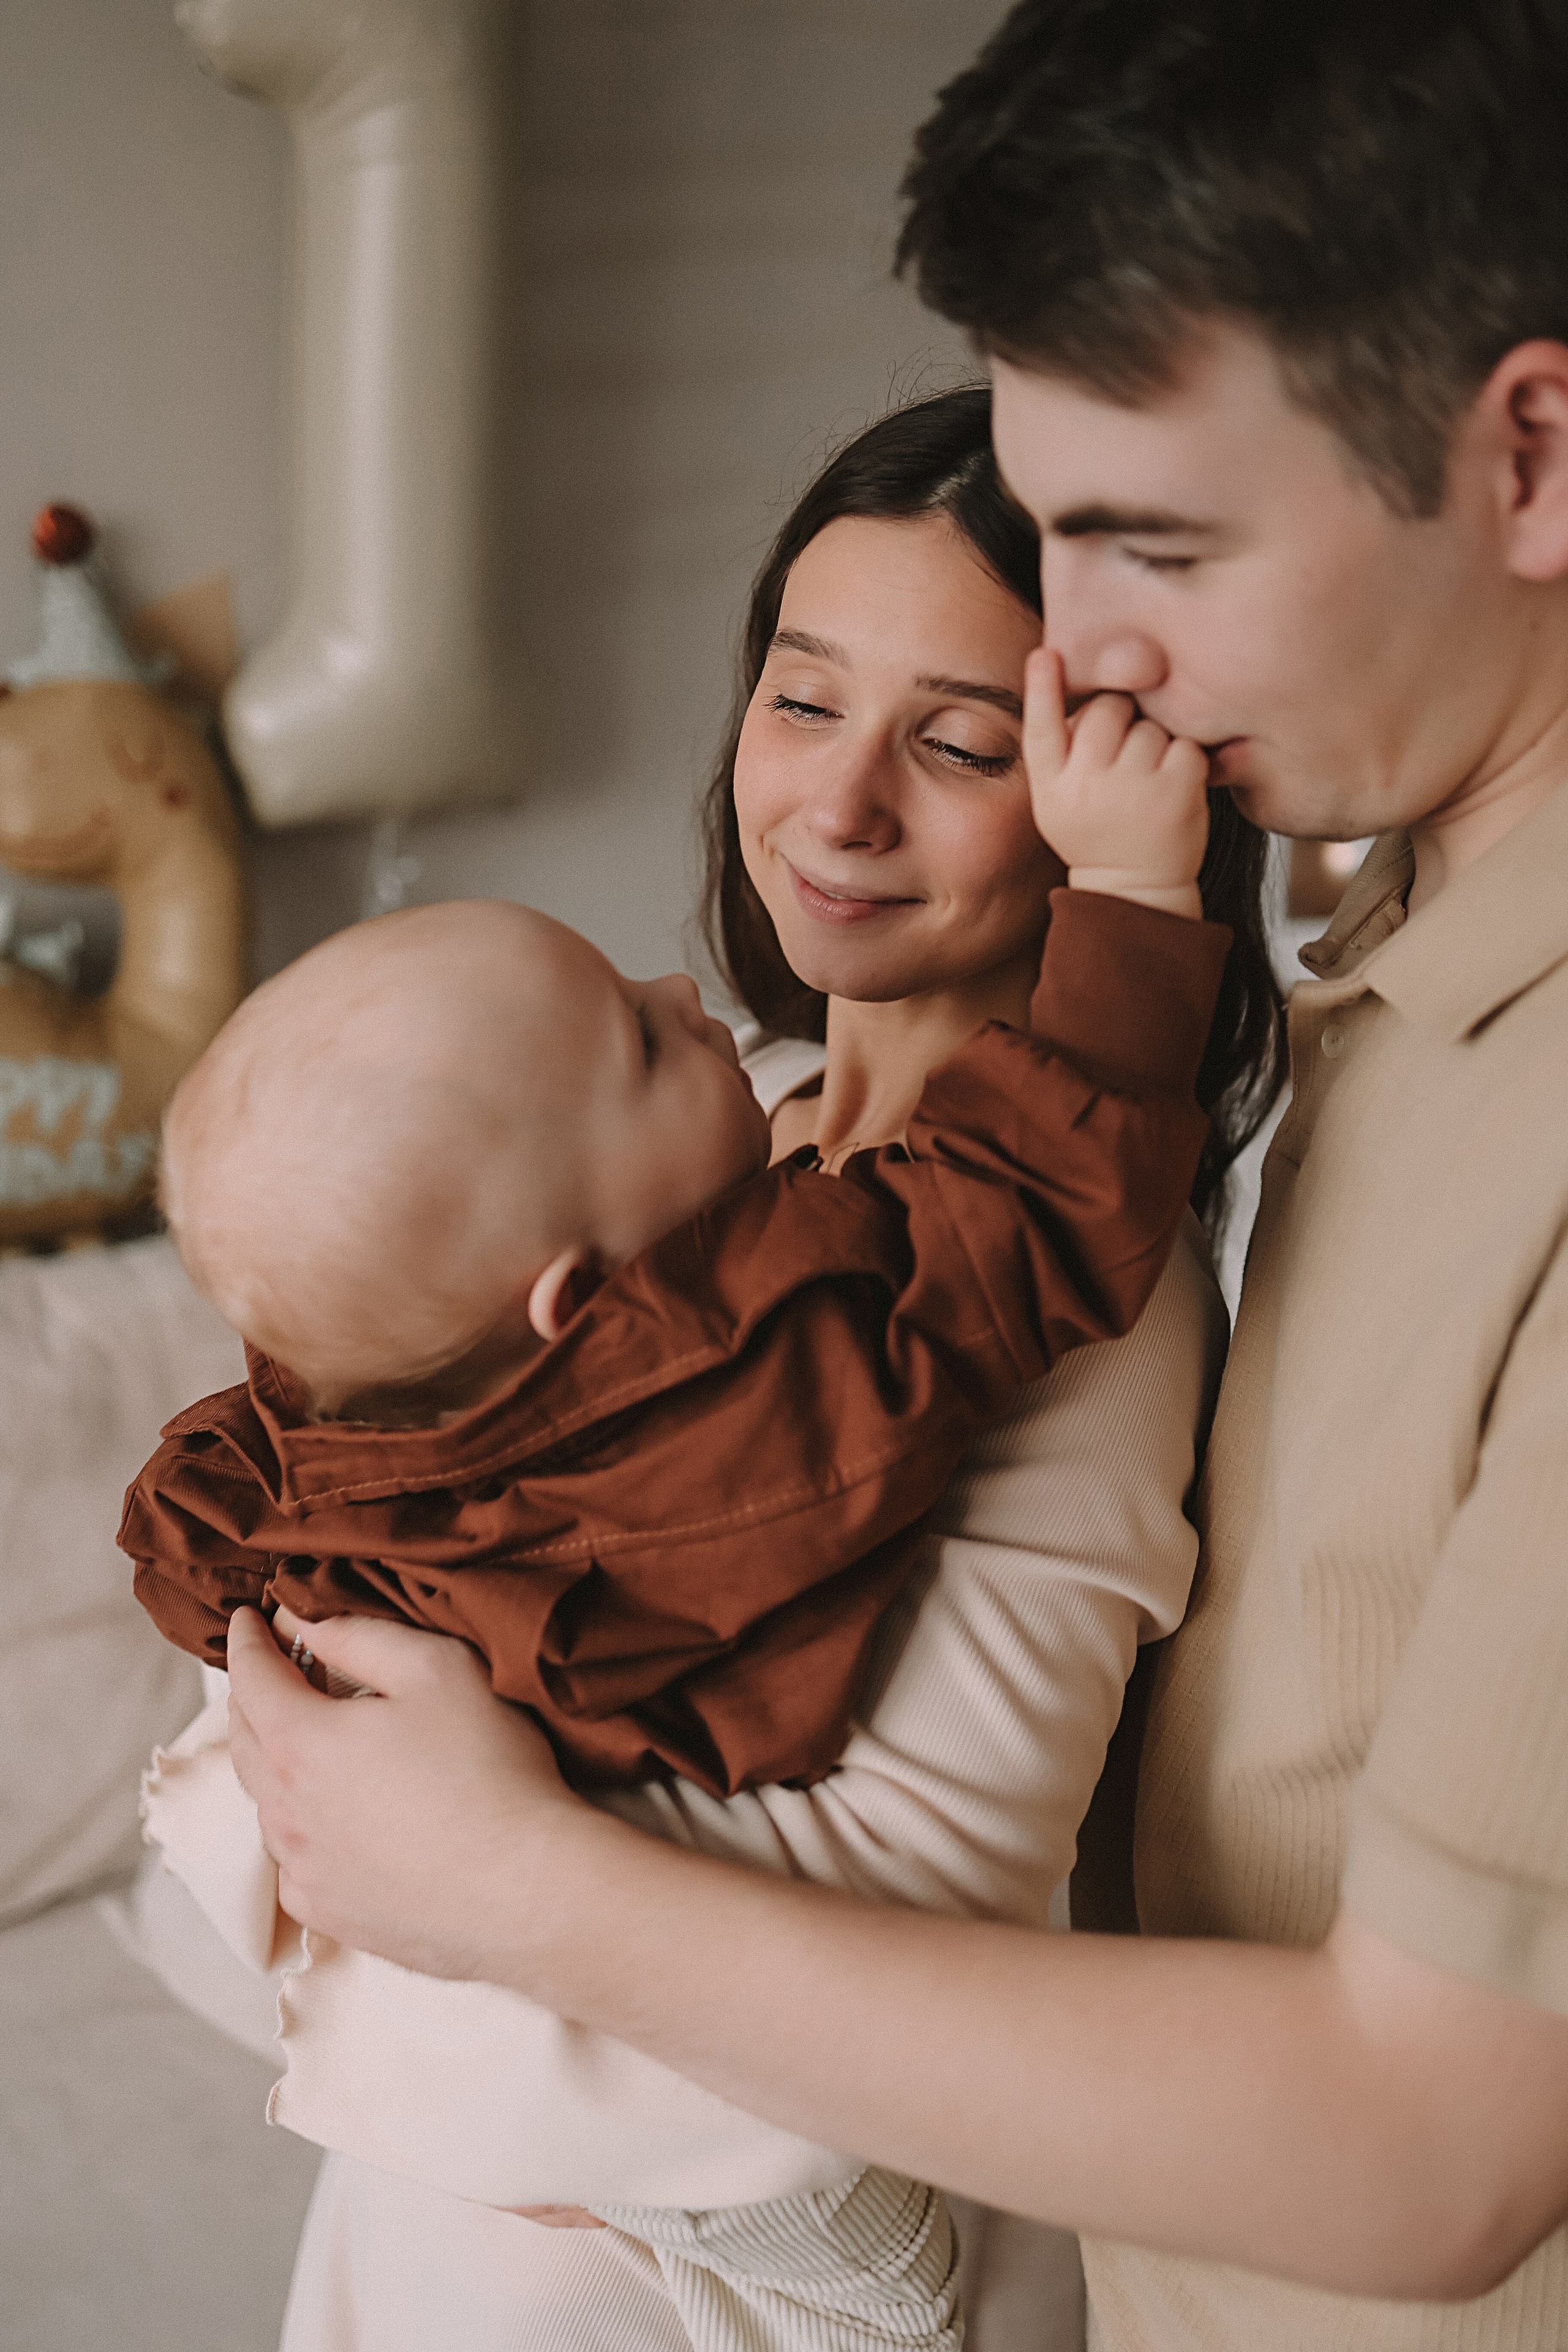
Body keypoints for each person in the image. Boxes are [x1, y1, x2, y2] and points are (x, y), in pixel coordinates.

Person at [173, 385, 1284, 2352]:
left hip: (668, 2263)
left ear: (1125, 787)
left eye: (960, 742)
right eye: (802, 697)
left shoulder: (1075, 1311)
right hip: (453, 2210)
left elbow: (917, 1896)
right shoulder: (704, 1136)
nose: (839, 807)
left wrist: (434, 1875)